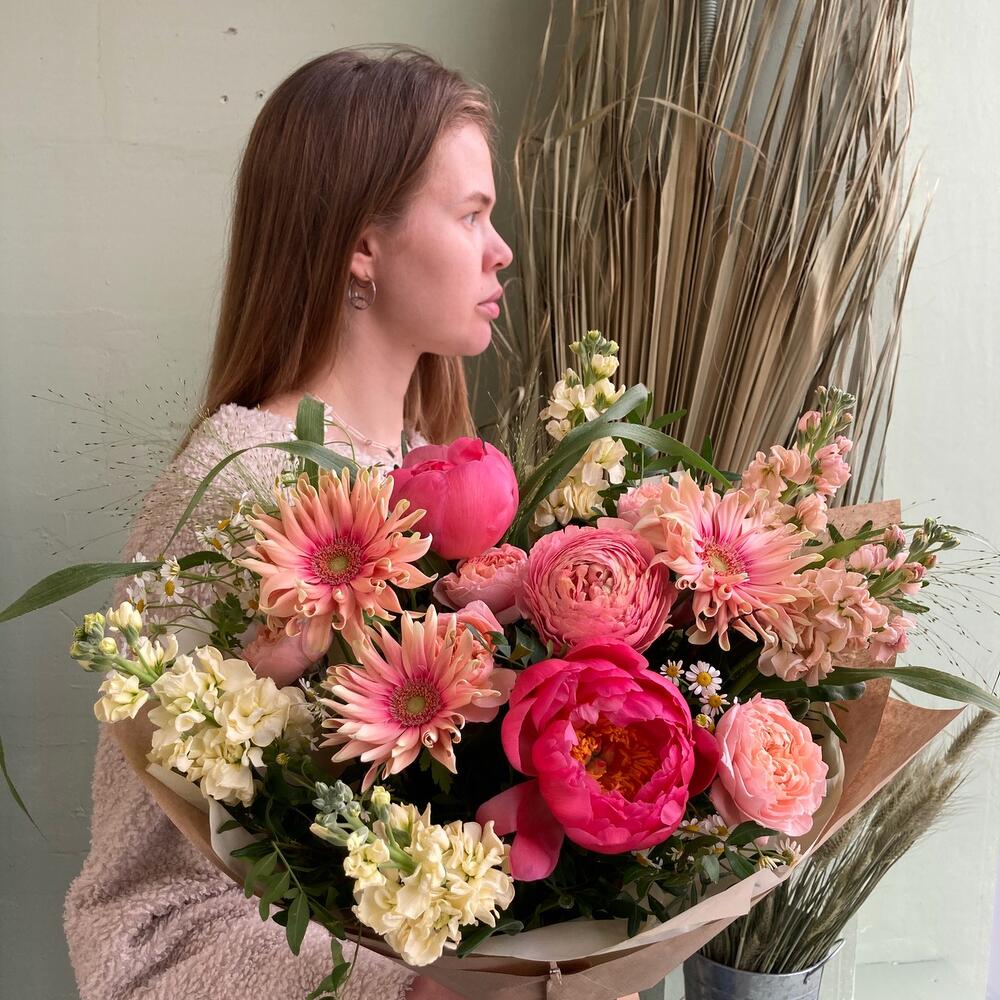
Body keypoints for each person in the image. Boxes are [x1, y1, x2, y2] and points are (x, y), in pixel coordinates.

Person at [63, 45, 512, 1000]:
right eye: (471, 214)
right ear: (363, 246)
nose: (499, 249)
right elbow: (146, 911)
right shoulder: (237, 486)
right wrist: (408, 990)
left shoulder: (437, 472)